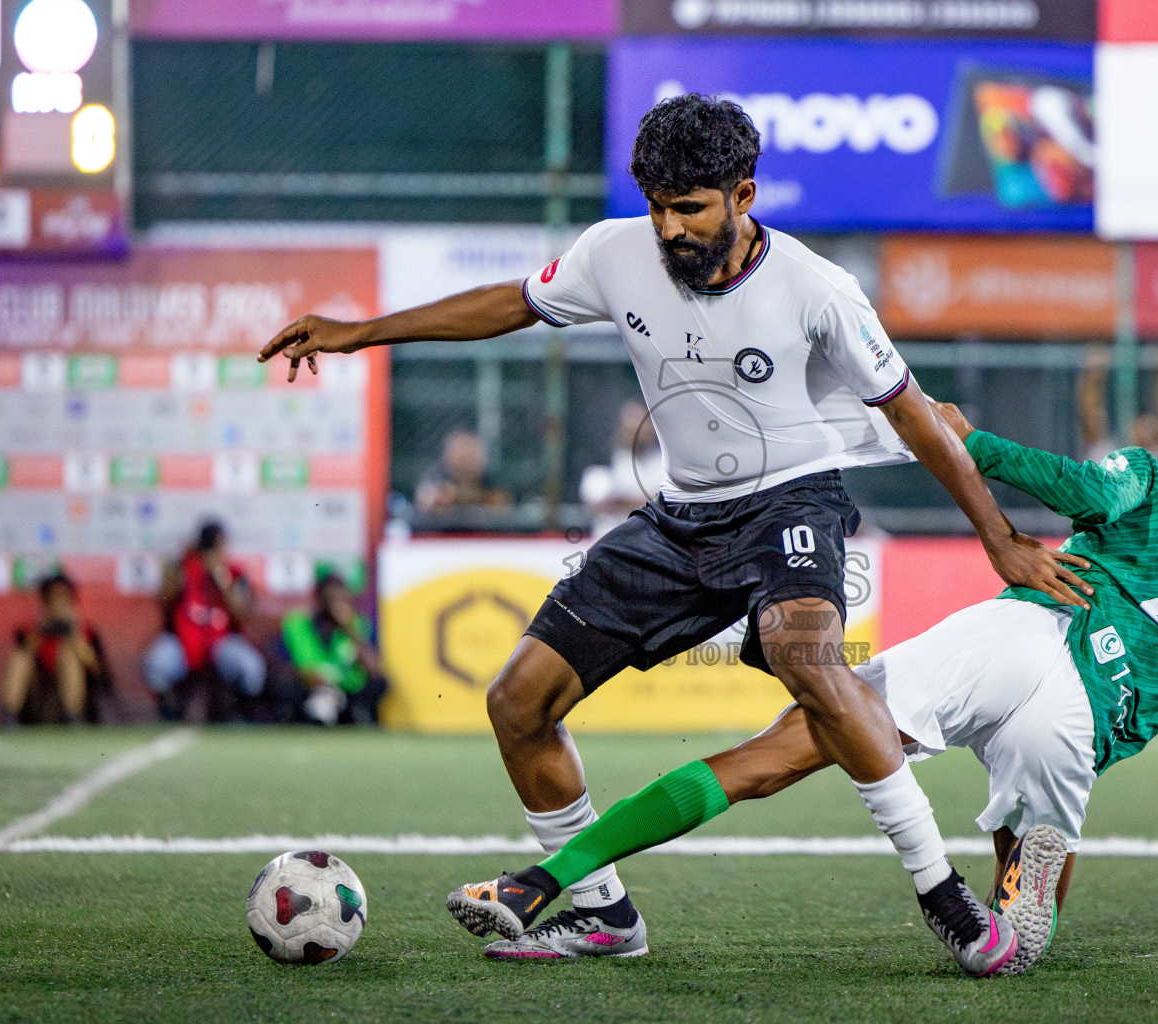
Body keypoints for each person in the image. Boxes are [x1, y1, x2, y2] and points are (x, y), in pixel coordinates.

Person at [261, 94, 1089, 972]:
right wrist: (362, 335)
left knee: (808, 659)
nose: (669, 227)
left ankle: (947, 900)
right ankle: (603, 916)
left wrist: (998, 537)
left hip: (791, 505)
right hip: (679, 522)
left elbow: (918, 419)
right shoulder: (616, 253)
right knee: (517, 702)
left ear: (744, 193)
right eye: (657, 205)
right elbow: (510, 303)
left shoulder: (817, 288)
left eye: (689, 208)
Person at [452, 402, 1158, 969]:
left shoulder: (1151, 483)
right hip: (1076, 722)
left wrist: (976, 441)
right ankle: (1019, 889)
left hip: (1017, 633)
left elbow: (1072, 489)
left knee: (776, 750)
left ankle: (553, 878)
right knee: (1022, 897)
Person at [142, 521, 267, 717]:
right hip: (184, 642)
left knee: (251, 668)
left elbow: (241, 614)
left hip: (222, 642)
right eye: (209, 547)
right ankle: (170, 714)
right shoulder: (184, 569)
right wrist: (183, 565)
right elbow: (163, 601)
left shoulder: (233, 573)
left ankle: (239, 715)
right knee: (156, 665)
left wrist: (221, 578)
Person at [0, 573, 110, 726]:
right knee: (20, 656)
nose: (58, 604)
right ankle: (9, 716)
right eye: (53, 598)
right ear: (45, 602)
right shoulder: (30, 629)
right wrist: (40, 631)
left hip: (77, 698)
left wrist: (73, 634)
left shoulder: (86, 631)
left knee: (69, 656)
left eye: (63, 598)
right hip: (38, 697)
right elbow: (21, 662)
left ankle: (72, 718)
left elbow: (99, 672)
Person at [280, 573, 388, 726]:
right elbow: (280, 663)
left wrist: (348, 628)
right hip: (310, 687)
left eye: (340, 596)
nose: (335, 601)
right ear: (319, 597)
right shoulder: (298, 624)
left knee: (380, 683)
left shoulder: (357, 624)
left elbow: (374, 668)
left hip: (346, 691)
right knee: (285, 686)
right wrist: (306, 676)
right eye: (330, 596)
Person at [579, 401, 663, 537]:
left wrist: (621, 502)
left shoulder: (665, 464)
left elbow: (667, 505)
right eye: (631, 427)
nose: (636, 432)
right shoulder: (605, 462)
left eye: (642, 425)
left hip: (653, 546)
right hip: (610, 546)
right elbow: (597, 503)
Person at [415, 430, 512, 516]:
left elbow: (503, 505)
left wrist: (460, 495)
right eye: (462, 455)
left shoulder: (491, 478)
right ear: (448, 456)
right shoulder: (436, 475)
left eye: (471, 454)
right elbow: (427, 500)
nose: (466, 461)